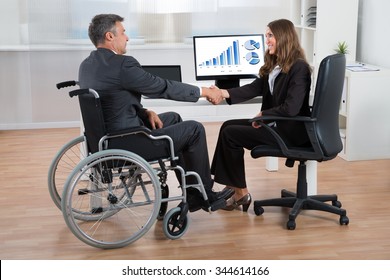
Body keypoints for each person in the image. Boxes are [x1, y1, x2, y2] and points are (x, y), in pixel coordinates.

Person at [78, 14, 233, 212]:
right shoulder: (123, 65)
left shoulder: (87, 65)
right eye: (123, 33)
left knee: (174, 119)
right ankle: (205, 195)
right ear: (110, 36)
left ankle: (193, 191)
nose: (127, 38)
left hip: (106, 140)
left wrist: (144, 112)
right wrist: (204, 92)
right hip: (128, 142)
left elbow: (111, 101)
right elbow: (161, 87)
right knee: (194, 129)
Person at [209, 19, 312, 211]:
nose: (267, 40)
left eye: (270, 35)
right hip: (276, 125)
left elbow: (291, 108)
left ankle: (239, 192)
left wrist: (264, 114)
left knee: (231, 134)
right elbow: (255, 87)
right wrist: (223, 92)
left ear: (283, 37)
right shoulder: (276, 65)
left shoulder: (299, 68)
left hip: (290, 132)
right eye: (266, 36)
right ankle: (233, 188)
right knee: (227, 126)